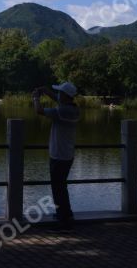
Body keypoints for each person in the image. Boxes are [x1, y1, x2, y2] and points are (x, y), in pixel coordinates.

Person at [32, 82, 80, 230]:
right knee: (62, 187)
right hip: (67, 155)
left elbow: (39, 111)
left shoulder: (61, 112)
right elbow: (59, 100)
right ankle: (66, 214)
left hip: (58, 155)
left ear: (65, 95)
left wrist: (36, 98)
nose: (58, 95)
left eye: (60, 92)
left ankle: (64, 222)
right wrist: (45, 90)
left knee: (57, 189)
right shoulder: (74, 109)